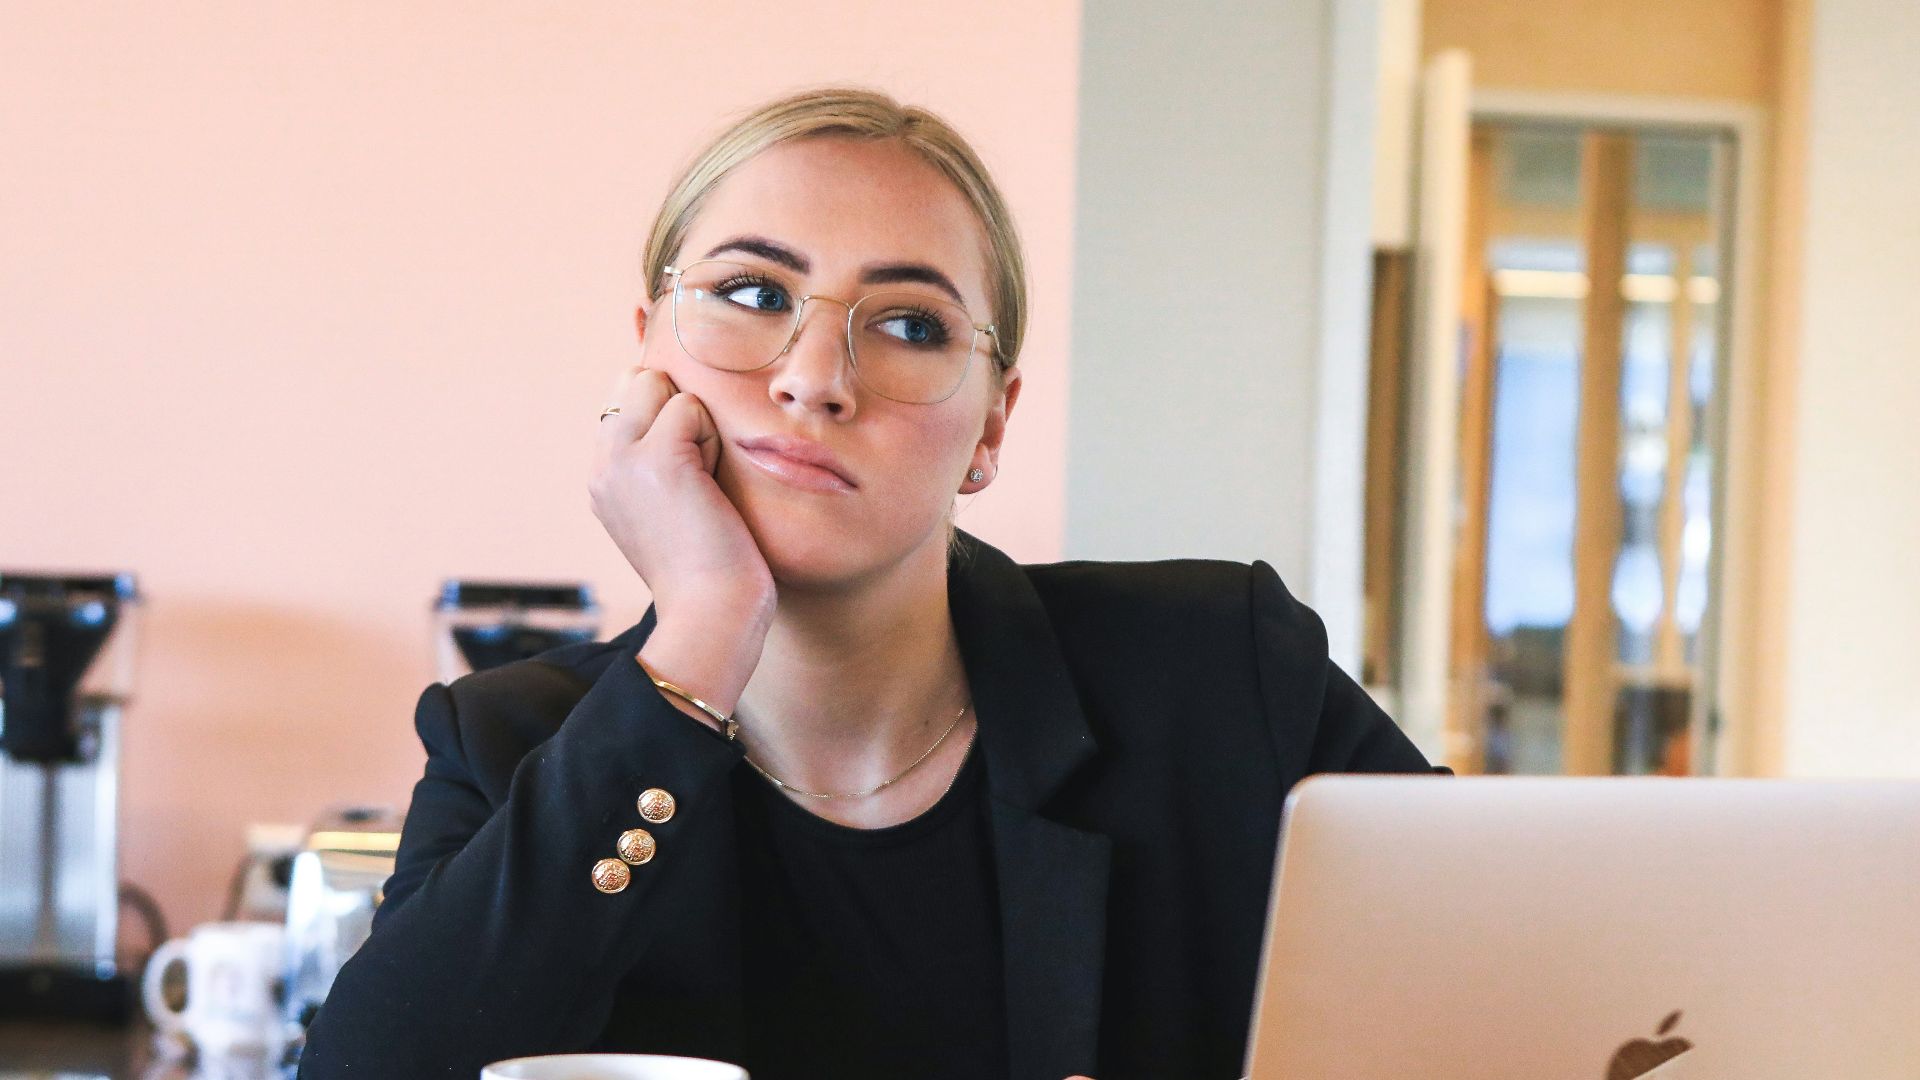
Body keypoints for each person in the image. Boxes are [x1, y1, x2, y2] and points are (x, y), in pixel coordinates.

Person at [297, 86, 1445, 1080]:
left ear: (992, 423)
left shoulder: (1221, 675)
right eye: (753, 293)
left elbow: (1531, 995)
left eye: (908, 322)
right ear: (648, 355)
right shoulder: (508, 744)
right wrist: (700, 633)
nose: (814, 377)